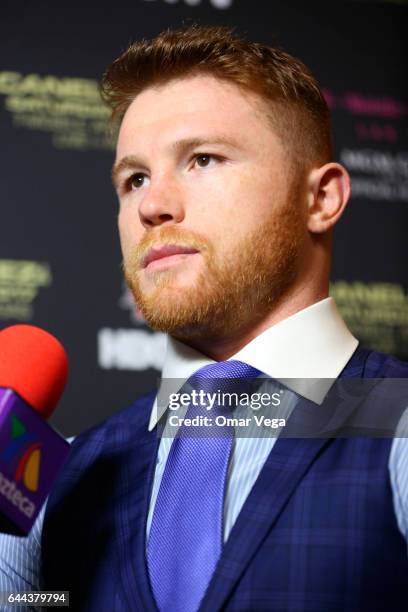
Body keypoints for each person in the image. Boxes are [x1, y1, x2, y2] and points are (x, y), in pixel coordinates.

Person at [1, 25, 408, 612]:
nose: (151, 204)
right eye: (133, 179)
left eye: (202, 159)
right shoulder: (55, 480)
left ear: (320, 199)